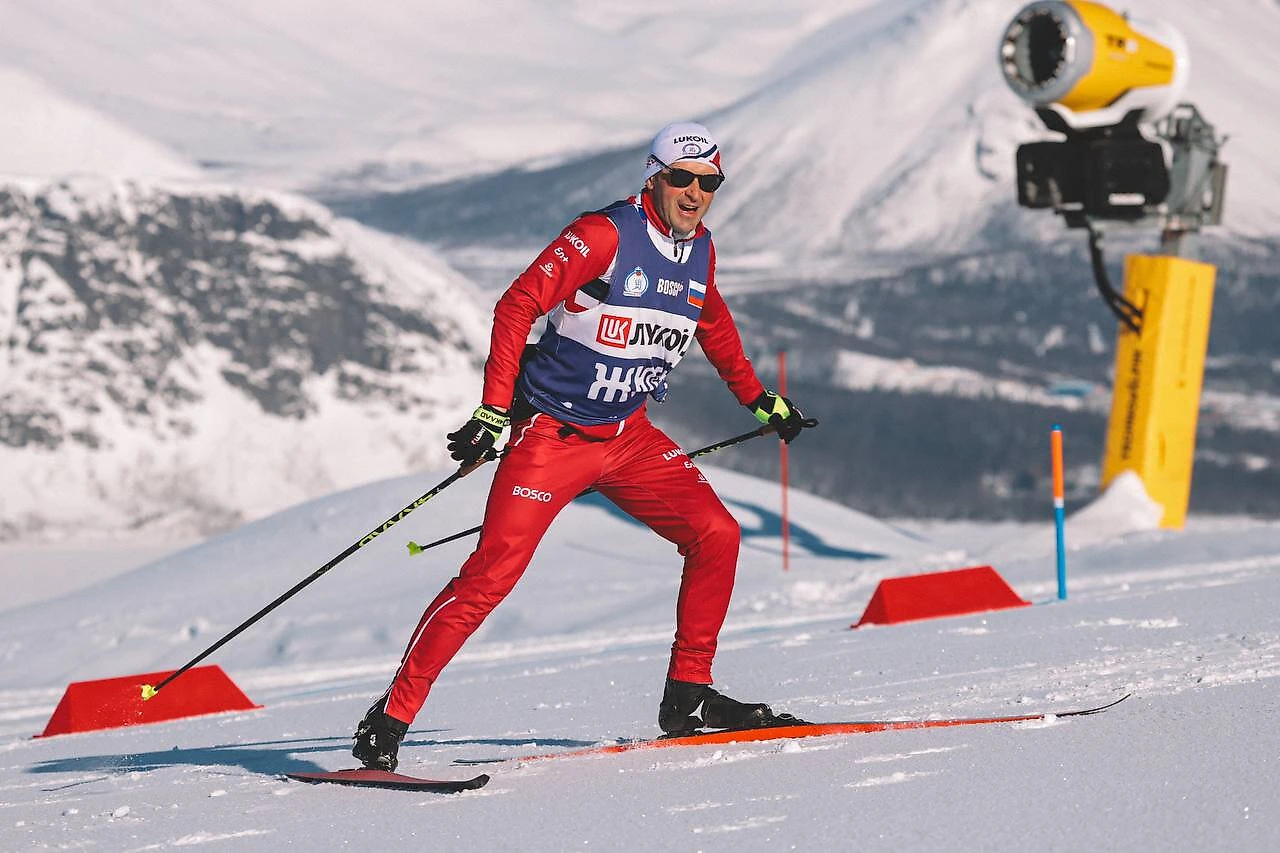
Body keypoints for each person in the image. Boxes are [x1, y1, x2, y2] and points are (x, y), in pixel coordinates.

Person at [353, 121, 809, 772]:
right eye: (682, 178)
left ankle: (688, 698)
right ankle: (389, 719)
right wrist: (490, 408)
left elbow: (715, 324)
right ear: (654, 177)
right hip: (552, 437)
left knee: (717, 533)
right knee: (490, 577)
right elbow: (517, 306)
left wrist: (761, 400)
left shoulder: (699, 251)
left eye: (709, 183)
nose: (695, 193)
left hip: (628, 437)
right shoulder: (604, 235)